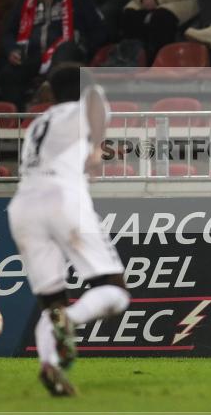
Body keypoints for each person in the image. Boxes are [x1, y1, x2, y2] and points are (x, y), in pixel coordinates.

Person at [8, 66, 129, 396]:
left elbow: (68, 150)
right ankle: (70, 319)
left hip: (22, 207)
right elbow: (97, 103)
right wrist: (98, 146)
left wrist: (96, 152)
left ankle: (50, 365)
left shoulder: (39, 123)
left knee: (51, 302)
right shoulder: (86, 107)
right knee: (115, 290)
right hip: (63, 200)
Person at [1, 0, 108, 109]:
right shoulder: (25, 0)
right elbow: (8, 32)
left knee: (66, 51)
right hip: (33, 54)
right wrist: (12, 50)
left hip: (66, 53)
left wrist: (84, 46)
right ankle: (18, 119)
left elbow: (100, 29)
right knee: (9, 73)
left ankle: (49, 89)